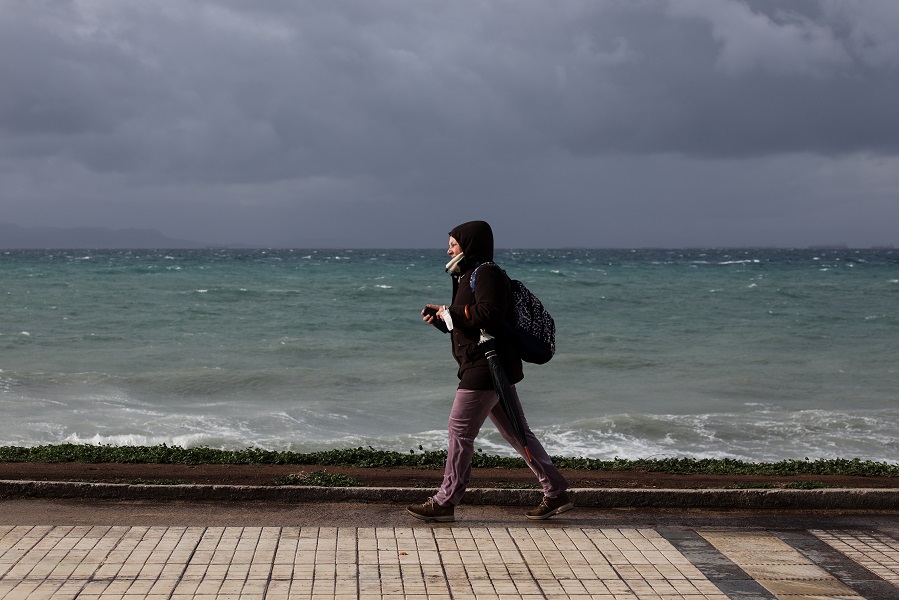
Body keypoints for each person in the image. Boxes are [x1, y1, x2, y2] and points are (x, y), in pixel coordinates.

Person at [407, 220, 572, 522]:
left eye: (453, 244)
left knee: (459, 432)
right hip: (490, 364)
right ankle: (556, 491)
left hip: (485, 367)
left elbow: (491, 314)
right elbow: (477, 325)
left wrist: (451, 311)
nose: (448, 249)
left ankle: (445, 500)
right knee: (517, 433)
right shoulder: (469, 275)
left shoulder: (487, 273)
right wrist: (443, 322)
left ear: (469, 245)